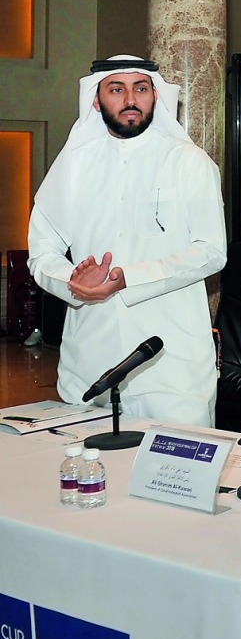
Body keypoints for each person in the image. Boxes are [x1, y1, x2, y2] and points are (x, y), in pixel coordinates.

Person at [27, 55, 227, 426]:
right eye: (116, 90)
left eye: (141, 89)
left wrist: (129, 278)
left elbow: (211, 252)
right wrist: (72, 283)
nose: (130, 99)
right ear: (96, 99)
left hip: (171, 367)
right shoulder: (73, 165)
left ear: (155, 97)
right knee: (92, 478)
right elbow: (41, 253)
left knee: (175, 478)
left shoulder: (188, 162)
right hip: (90, 362)